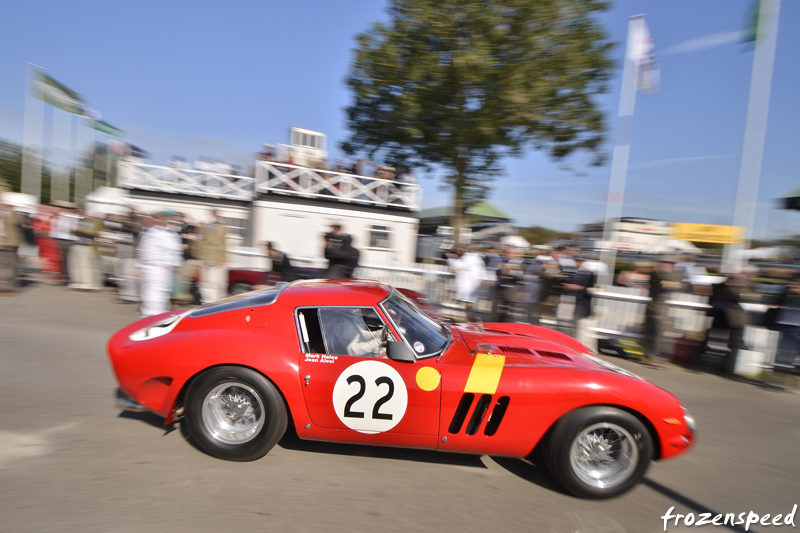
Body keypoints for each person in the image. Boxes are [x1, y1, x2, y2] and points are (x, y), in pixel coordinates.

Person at [137, 212, 183, 317]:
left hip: (163, 268)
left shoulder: (169, 234)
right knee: (149, 292)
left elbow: (174, 251)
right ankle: (149, 314)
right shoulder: (150, 232)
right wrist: (140, 266)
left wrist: (175, 265)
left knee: (161, 292)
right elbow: (143, 250)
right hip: (151, 267)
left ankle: (158, 315)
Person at [446, 246, 486, 321]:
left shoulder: (471, 257)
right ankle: (468, 318)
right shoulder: (467, 258)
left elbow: (457, 268)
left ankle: (470, 318)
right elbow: (456, 268)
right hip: (468, 284)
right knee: (467, 303)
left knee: (469, 303)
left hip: (470, 285)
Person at [200, 210, 228, 303]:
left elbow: (223, 243)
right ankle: (209, 301)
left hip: (218, 258)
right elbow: (204, 242)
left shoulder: (222, 228)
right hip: (209, 257)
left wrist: (223, 259)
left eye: (217, 216)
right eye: (215, 215)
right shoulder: (206, 227)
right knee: (210, 282)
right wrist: (203, 257)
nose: (216, 217)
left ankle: (219, 301)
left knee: (220, 282)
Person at [0, 199, 23, 293]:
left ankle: (6, 286)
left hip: (10, 244)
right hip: (2, 243)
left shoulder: (12, 214)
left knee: (10, 266)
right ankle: (4, 286)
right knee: (3, 265)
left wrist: (10, 210)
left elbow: (20, 220)